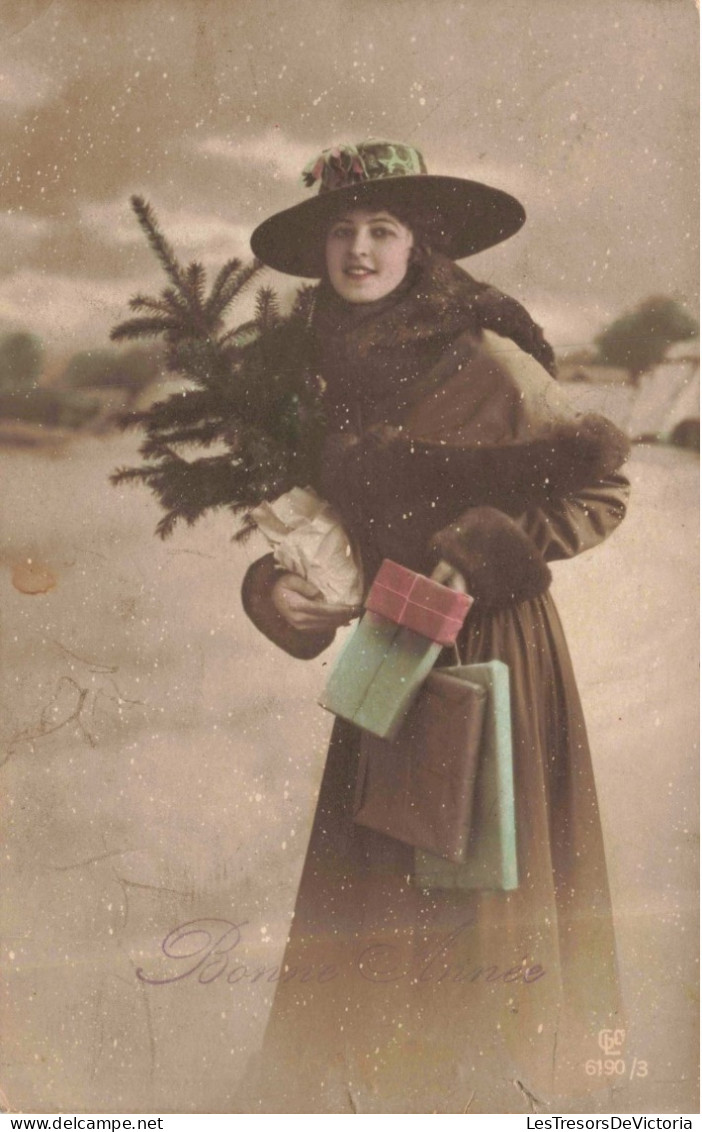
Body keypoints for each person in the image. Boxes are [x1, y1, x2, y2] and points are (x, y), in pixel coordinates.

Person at [238, 140, 630, 1114]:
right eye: (341, 231)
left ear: (422, 247)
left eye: (382, 229)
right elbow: (319, 527)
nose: (359, 249)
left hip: (489, 649)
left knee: (480, 899)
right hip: (386, 648)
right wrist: (274, 592)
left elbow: (602, 487)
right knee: (373, 894)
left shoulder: (485, 356)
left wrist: (485, 545)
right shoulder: (317, 376)